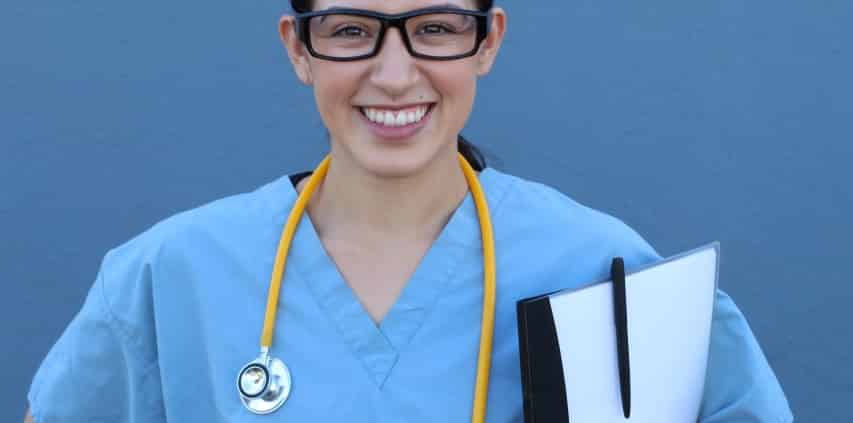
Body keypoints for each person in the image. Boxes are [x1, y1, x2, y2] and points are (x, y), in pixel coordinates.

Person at [23, 0, 793, 421]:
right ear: (299, 47)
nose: (395, 74)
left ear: (488, 40)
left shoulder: (603, 268)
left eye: (434, 28)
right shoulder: (172, 278)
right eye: (352, 30)